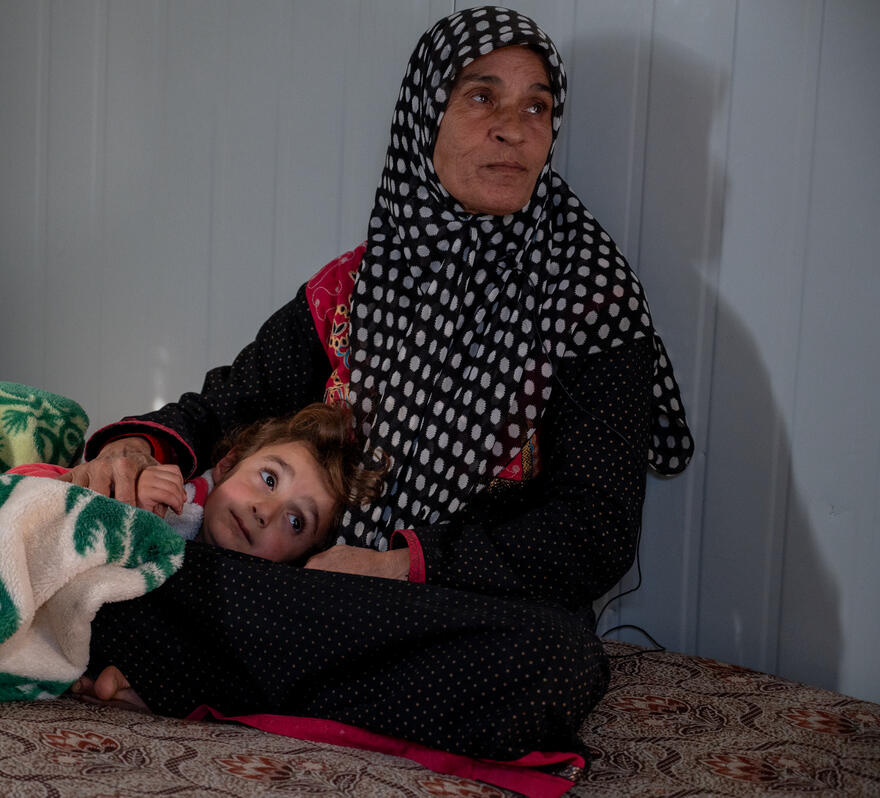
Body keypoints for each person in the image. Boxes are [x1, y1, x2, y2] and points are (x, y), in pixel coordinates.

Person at [66, 6, 693, 765]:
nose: (513, 127)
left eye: (537, 106)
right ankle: (218, 667)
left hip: (451, 610)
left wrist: (401, 563)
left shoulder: (594, 304)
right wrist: (136, 444)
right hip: (310, 592)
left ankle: (188, 672)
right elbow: (233, 398)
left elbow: (593, 532)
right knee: (111, 544)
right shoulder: (359, 285)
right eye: (481, 96)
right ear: (424, 115)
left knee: (553, 662)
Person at [9, 402, 387, 564]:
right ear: (227, 465)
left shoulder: (248, 607)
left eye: (296, 522)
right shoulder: (170, 495)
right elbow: (26, 493)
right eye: (269, 479)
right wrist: (121, 503)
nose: (265, 511)